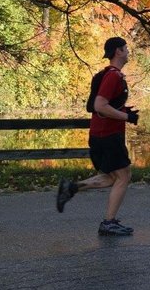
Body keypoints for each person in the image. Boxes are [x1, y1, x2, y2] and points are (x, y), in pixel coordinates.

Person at [56, 37, 139, 236]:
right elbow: (100, 106)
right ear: (118, 51)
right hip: (108, 135)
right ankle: (108, 223)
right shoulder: (113, 76)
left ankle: (71, 188)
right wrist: (127, 117)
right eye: (125, 48)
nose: (128, 51)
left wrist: (122, 109)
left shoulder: (108, 74)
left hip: (100, 135)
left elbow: (105, 104)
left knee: (112, 177)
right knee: (124, 175)